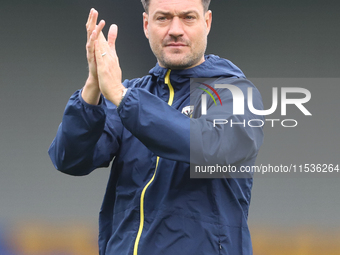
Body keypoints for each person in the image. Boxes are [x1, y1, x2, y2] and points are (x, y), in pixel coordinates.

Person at [48, 0, 264, 254]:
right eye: (163, 18)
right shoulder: (130, 95)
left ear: (206, 22)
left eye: (188, 18)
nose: (175, 29)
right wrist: (93, 85)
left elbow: (211, 146)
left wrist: (120, 95)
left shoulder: (235, 93)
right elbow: (69, 160)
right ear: (146, 24)